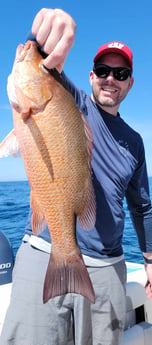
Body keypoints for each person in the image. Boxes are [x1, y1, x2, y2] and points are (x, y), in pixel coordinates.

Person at [1, 7, 152, 345]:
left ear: (130, 81)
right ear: (90, 76)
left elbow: (142, 207)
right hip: (43, 252)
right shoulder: (68, 100)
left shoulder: (136, 142)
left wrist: (149, 259)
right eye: (102, 70)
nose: (110, 78)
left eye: (120, 72)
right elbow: (42, 68)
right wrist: (43, 34)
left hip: (107, 268)